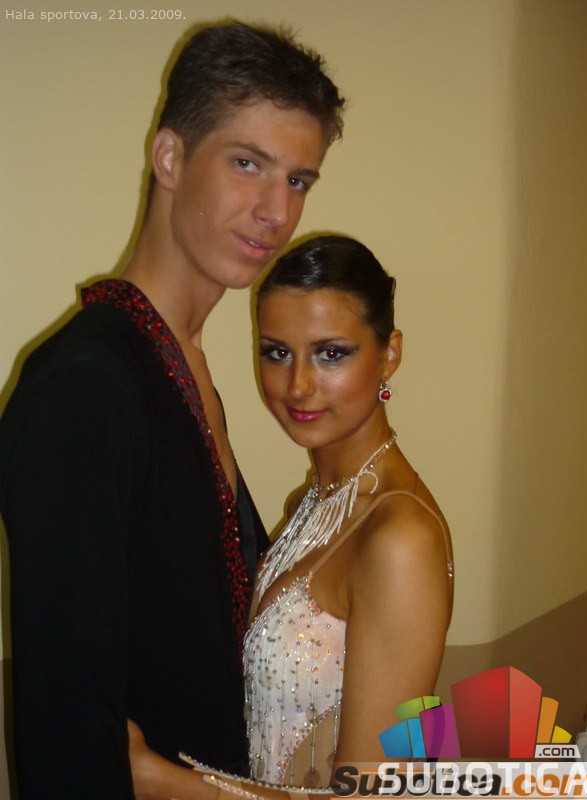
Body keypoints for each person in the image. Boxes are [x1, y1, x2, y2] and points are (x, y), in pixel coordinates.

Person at [0, 22, 344, 800]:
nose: (275, 211)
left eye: (298, 180)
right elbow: (68, 741)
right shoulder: (84, 387)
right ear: (169, 158)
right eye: (247, 163)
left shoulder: (183, 367)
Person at [127, 235, 454, 797]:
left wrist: (160, 780)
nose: (298, 385)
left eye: (332, 353)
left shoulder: (400, 538)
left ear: (390, 354)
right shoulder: (318, 501)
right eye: (277, 352)